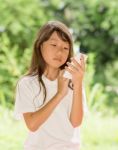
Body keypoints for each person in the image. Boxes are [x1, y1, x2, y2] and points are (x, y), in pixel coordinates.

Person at [14, 20, 88, 150]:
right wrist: (60, 94)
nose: (60, 52)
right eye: (54, 45)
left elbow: (76, 122)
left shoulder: (74, 82)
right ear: (40, 46)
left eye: (65, 48)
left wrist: (78, 83)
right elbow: (32, 125)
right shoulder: (27, 83)